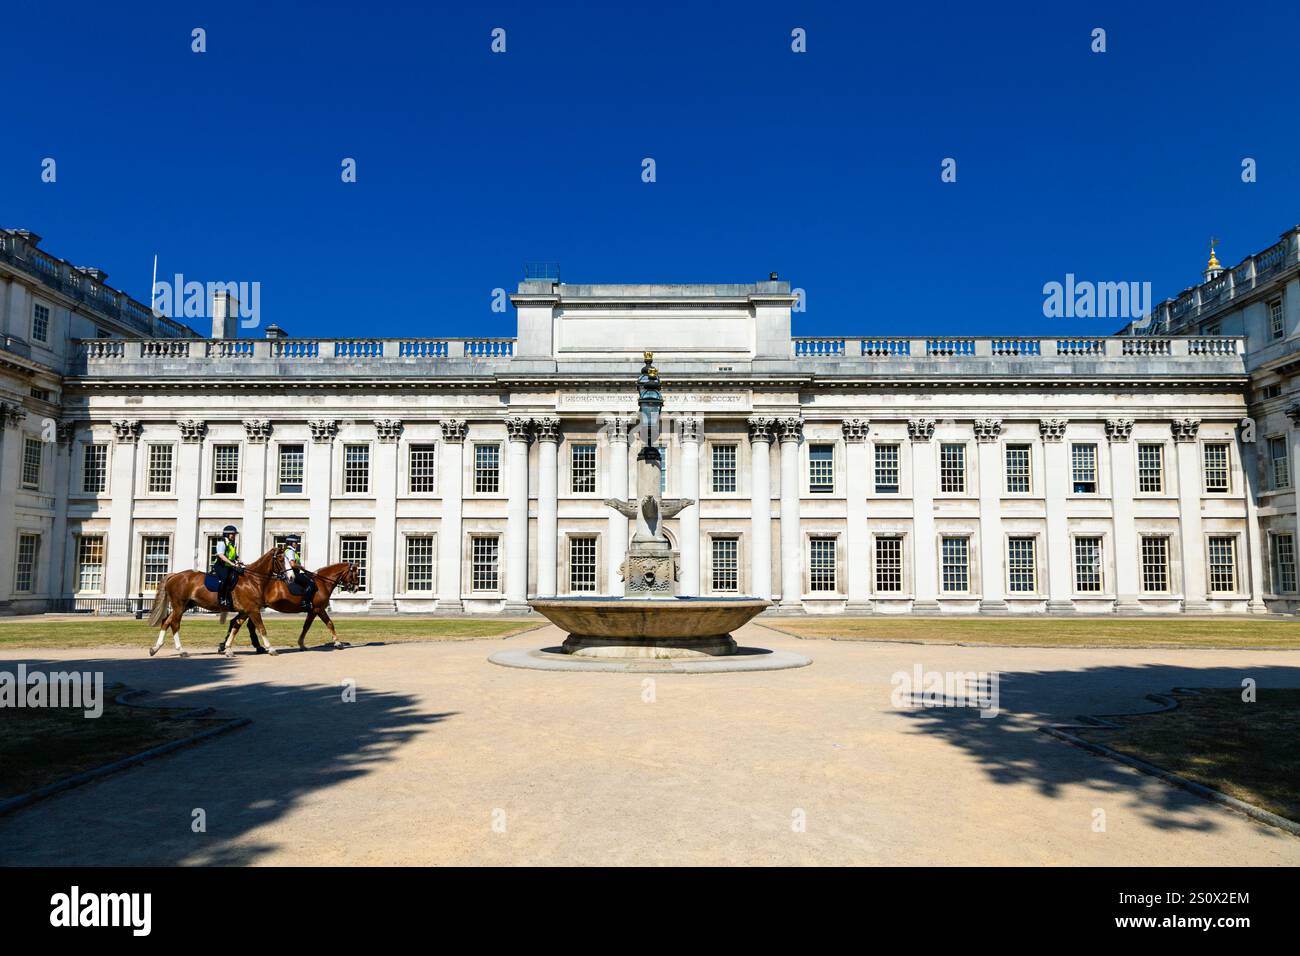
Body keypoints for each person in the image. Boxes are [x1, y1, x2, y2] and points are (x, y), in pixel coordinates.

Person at [211, 525, 244, 611]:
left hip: (229, 566)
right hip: (220, 566)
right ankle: (222, 599)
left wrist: (239, 561)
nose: (233, 536)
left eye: (234, 534)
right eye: (231, 534)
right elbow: (221, 555)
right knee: (225, 578)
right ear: (227, 534)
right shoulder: (222, 543)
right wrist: (232, 564)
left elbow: (235, 555)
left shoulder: (232, 543)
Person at [283, 535, 316, 611]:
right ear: (291, 543)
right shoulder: (290, 551)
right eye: (295, 542)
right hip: (292, 573)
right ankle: (305, 602)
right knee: (311, 582)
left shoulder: (290, 551)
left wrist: (304, 571)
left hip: (294, 572)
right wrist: (301, 567)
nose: (297, 544)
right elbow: (293, 564)